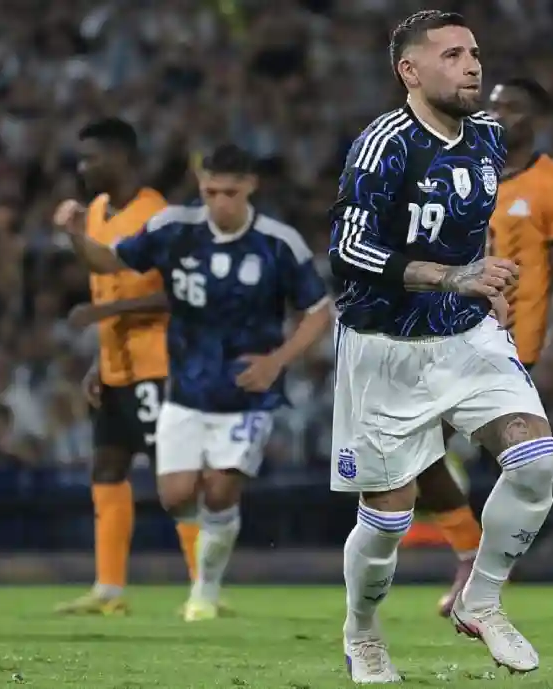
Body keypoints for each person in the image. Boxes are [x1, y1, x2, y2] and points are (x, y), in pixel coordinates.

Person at [328, 10, 553, 682]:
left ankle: (480, 597)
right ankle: (363, 632)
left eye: (475, 53)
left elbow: (467, 231)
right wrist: (452, 275)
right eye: (453, 55)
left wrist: (485, 283)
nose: (472, 66)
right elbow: (348, 248)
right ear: (410, 70)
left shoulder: (487, 139)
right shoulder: (384, 145)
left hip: (464, 334)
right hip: (384, 346)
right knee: (389, 519)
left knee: (536, 458)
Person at [53, 144, 333, 622]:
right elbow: (109, 263)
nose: (219, 202)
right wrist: (77, 236)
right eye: (210, 192)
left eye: (229, 192)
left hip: (248, 391)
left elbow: (318, 310)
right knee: (176, 496)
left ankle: (204, 591)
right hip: (187, 390)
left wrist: (277, 361)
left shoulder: (277, 241)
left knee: (221, 489)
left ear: (250, 187)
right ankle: (211, 552)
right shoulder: (173, 228)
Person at [413, 77, 553, 617]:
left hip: (520, 344)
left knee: (514, 465)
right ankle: (470, 551)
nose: (500, 114)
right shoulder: (459, 171)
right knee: (415, 452)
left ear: (537, 118)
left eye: (513, 108)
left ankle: (484, 580)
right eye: (495, 105)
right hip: (449, 338)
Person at [53, 117, 200, 616]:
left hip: (157, 363)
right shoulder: (95, 212)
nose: (83, 167)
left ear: (122, 158)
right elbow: (105, 280)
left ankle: (205, 587)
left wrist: (104, 315)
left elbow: (174, 293)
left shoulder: (156, 214)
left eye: (92, 157)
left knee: (173, 479)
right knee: (107, 468)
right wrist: (99, 357)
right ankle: (109, 589)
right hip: (116, 367)